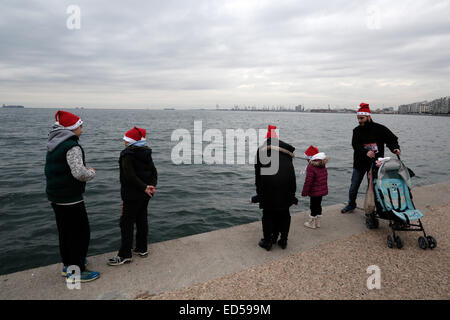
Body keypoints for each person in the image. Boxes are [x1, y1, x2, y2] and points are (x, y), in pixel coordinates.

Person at [45, 110, 100, 282]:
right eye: (80, 126)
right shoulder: (72, 146)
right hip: (70, 197)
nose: (82, 129)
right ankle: (76, 272)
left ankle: (68, 265)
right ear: (72, 129)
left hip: (56, 196)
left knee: (65, 232)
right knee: (80, 233)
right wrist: (91, 172)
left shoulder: (54, 143)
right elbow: (79, 173)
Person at [108, 127, 158, 266]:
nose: (124, 140)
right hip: (146, 194)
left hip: (131, 194)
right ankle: (142, 248)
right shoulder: (147, 152)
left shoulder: (127, 154)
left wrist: (143, 187)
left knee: (126, 223)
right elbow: (154, 171)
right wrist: (151, 186)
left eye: (126, 138)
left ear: (130, 141)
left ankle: (125, 255)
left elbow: (129, 175)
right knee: (142, 219)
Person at [341, 103, 401, 213]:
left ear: (369, 116)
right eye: (358, 118)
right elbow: (355, 145)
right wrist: (365, 152)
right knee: (354, 186)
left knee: (374, 187)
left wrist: (395, 148)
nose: (360, 121)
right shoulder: (356, 130)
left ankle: (374, 207)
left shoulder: (380, 129)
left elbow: (392, 139)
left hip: (375, 164)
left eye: (362, 118)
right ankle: (351, 204)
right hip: (359, 163)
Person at [253, 125, 298, 251]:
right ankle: (283, 241)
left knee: (268, 214)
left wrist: (259, 194)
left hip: (268, 186)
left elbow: (258, 176)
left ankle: (268, 241)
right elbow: (291, 174)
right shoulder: (287, 152)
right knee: (284, 213)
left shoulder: (261, 150)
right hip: (287, 186)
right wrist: (292, 195)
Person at [301, 146, 329, 229]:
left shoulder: (311, 167)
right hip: (321, 190)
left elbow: (308, 181)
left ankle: (311, 223)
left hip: (314, 191)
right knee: (318, 205)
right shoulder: (322, 164)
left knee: (313, 206)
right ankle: (318, 222)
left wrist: (304, 192)